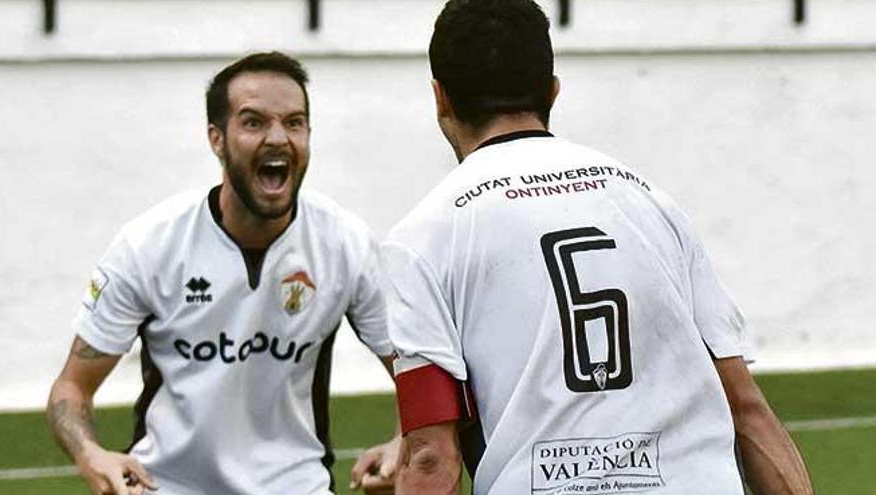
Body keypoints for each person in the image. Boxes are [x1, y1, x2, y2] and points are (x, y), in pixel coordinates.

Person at [382, 1, 815, 494]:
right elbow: (748, 412)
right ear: (552, 91)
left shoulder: (421, 239)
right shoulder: (650, 202)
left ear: (440, 99)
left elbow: (431, 455)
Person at [47, 51, 398, 495]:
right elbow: (71, 390)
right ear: (217, 138)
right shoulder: (148, 245)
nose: (278, 138)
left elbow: (414, 366)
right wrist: (90, 454)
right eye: (253, 122)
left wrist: (404, 440)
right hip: (166, 487)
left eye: (294, 123)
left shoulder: (346, 243)